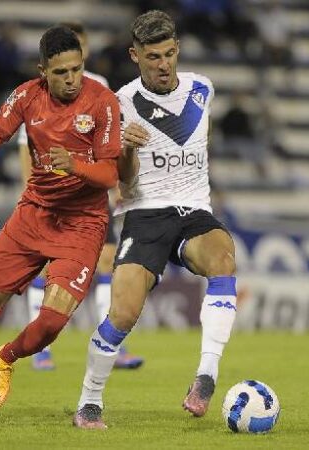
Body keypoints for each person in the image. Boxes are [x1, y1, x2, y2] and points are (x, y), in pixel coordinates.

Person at [0, 25, 122, 426]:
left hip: (83, 222)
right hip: (34, 214)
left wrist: (77, 166)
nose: (71, 80)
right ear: (42, 71)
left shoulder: (102, 101)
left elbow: (110, 176)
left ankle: (7, 356)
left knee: (51, 322)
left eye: (77, 69)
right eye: (61, 72)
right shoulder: (24, 96)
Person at [73, 10, 237, 429]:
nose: (163, 65)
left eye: (168, 54)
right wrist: (126, 150)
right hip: (145, 214)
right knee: (124, 313)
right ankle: (89, 401)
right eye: (153, 58)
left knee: (224, 259)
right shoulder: (121, 104)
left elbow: (200, 146)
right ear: (135, 56)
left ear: (178, 49)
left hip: (194, 211)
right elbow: (123, 185)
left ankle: (206, 376)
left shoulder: (203, 89)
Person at [17, 21, 143, 371]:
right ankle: (40, 349)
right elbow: (25, 147)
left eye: (82, 49)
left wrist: (117, 184)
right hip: (50, 193)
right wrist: (32, 187)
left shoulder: (101, 87)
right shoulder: (37, 93)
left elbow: (110, 143)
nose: (78, 57)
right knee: (44, 265)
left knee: (107, 262)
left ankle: (112, 346)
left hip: (91, 193)